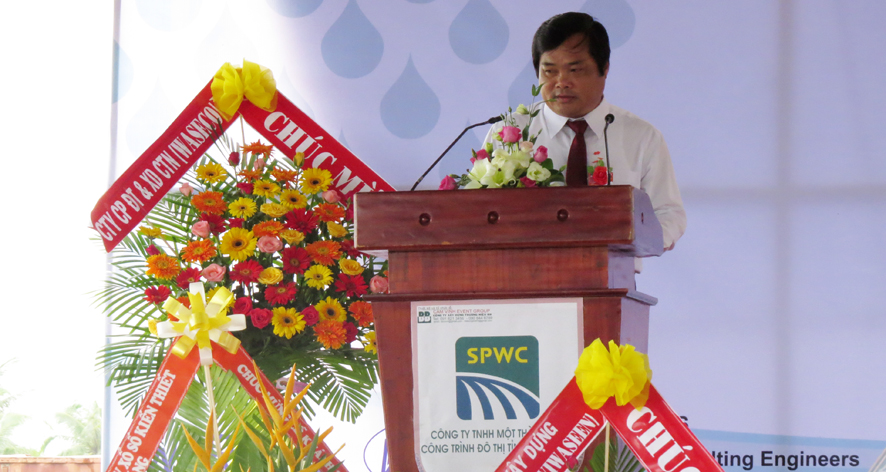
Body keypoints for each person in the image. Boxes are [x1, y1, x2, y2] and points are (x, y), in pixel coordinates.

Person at [484, 12, 686, 260]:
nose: (561, 82)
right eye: (549, 71)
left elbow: (669, 215)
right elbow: (481, 212)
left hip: (611, 274)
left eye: (575, 70)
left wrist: (629, 242)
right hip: (524, 272)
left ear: (604, 69)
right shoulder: (509, 133)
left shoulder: (641, 137)